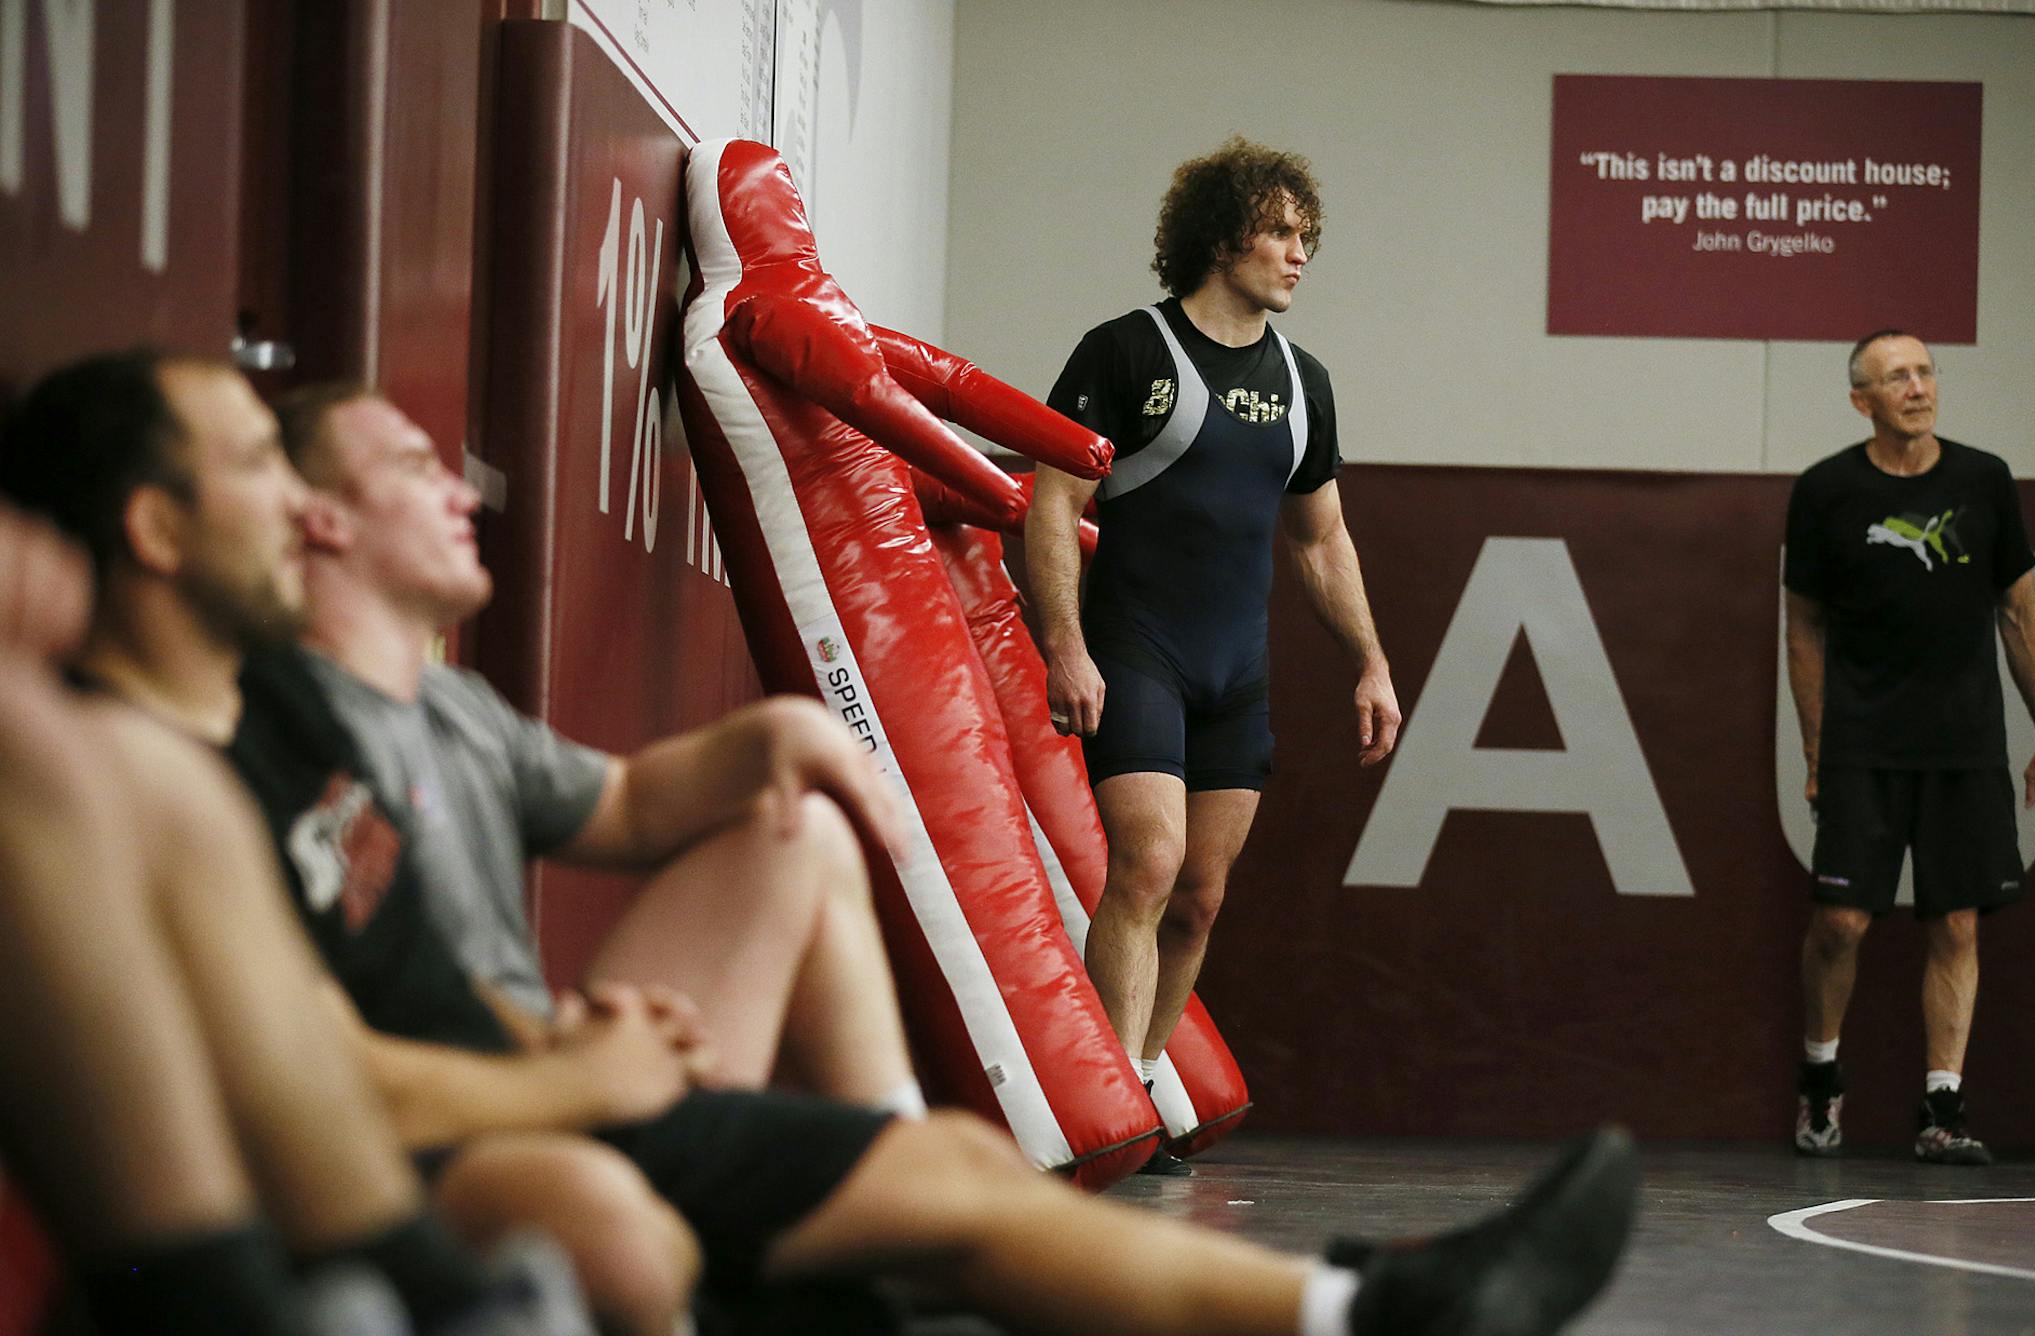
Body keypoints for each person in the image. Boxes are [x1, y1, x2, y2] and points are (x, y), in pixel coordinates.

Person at [11, 346, 1641, 1333]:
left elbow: (610, 822)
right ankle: (1352, 1303)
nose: (450, 490)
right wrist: (563, 1079)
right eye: (267, 471)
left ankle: (926, 1243)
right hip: (473, 1131)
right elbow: (308, 1095)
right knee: (679, 1222)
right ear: (164, 532)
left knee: (810, 907)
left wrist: (794, 743)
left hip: (484, 1107)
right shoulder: (164, 761)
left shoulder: (327, 727)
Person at [0, 451, 589, 1331]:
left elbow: (632, 801)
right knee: (597, 1210)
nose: (299, 507)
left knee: (166, 779)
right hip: (458, 1115)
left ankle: (422, 1286)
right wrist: (590, 1082)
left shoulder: (288, 699)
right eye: (252, 460)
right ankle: (220, 1303)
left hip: (477, 1100)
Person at [268, 382, 926, 1119]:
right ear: (320, 517)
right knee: (953, 1183)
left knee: (804, 832)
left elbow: (627, 802)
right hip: (474, 1109)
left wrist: (774, 733)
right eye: (418, 468)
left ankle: (891, 1140)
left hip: (556, 1066)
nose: (462, 496)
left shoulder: (455, 705)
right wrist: (570, 1066)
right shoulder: (286, 723)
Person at [1026, 137, 1401, 1172]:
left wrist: (1369, 660)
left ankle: (1138, 1091)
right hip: (1135, 649)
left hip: (1236, 672)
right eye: (1281, 232)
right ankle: (1103, 1113)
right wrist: (1064, 641)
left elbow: (1319, 538)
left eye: (1306, 237)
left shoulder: (1303, 383)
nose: (1298, 255)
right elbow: (1052, 498)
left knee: (1199, 897)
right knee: (1146, 865)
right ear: (1223, 235)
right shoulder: (1126, 351)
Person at [1783, 329, 2035, 1164]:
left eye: (1924, 372)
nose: (1917, 387)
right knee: (1839, 921)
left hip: (1966, 745)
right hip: (1862, 745)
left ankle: (1942, 1105)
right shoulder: (1826, 491)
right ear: (1861, 400)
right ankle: (1821, 1081)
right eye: (1895, 376)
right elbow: (1803, 629)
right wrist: (1815, 749)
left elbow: (2019, 612)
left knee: (1957, 921)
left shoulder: (1985, 481)